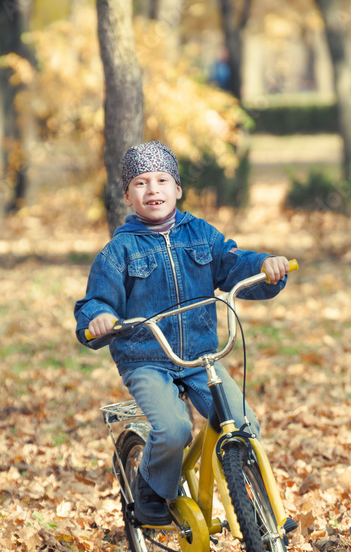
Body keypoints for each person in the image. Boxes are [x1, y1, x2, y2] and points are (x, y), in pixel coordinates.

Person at [74, 141, 291, 526]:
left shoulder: (202, 235)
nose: (152, 189)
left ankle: (261, 510)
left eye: (161, 180)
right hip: (147, 360)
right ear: (127, 196)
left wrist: (266, 267)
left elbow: (235, 264)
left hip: (200, 357)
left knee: (242, 424)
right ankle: (153, 488)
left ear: (177, 189)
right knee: (175, 428)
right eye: (141, 183)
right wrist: (100, 319)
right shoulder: (118, 251)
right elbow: (95, 301)